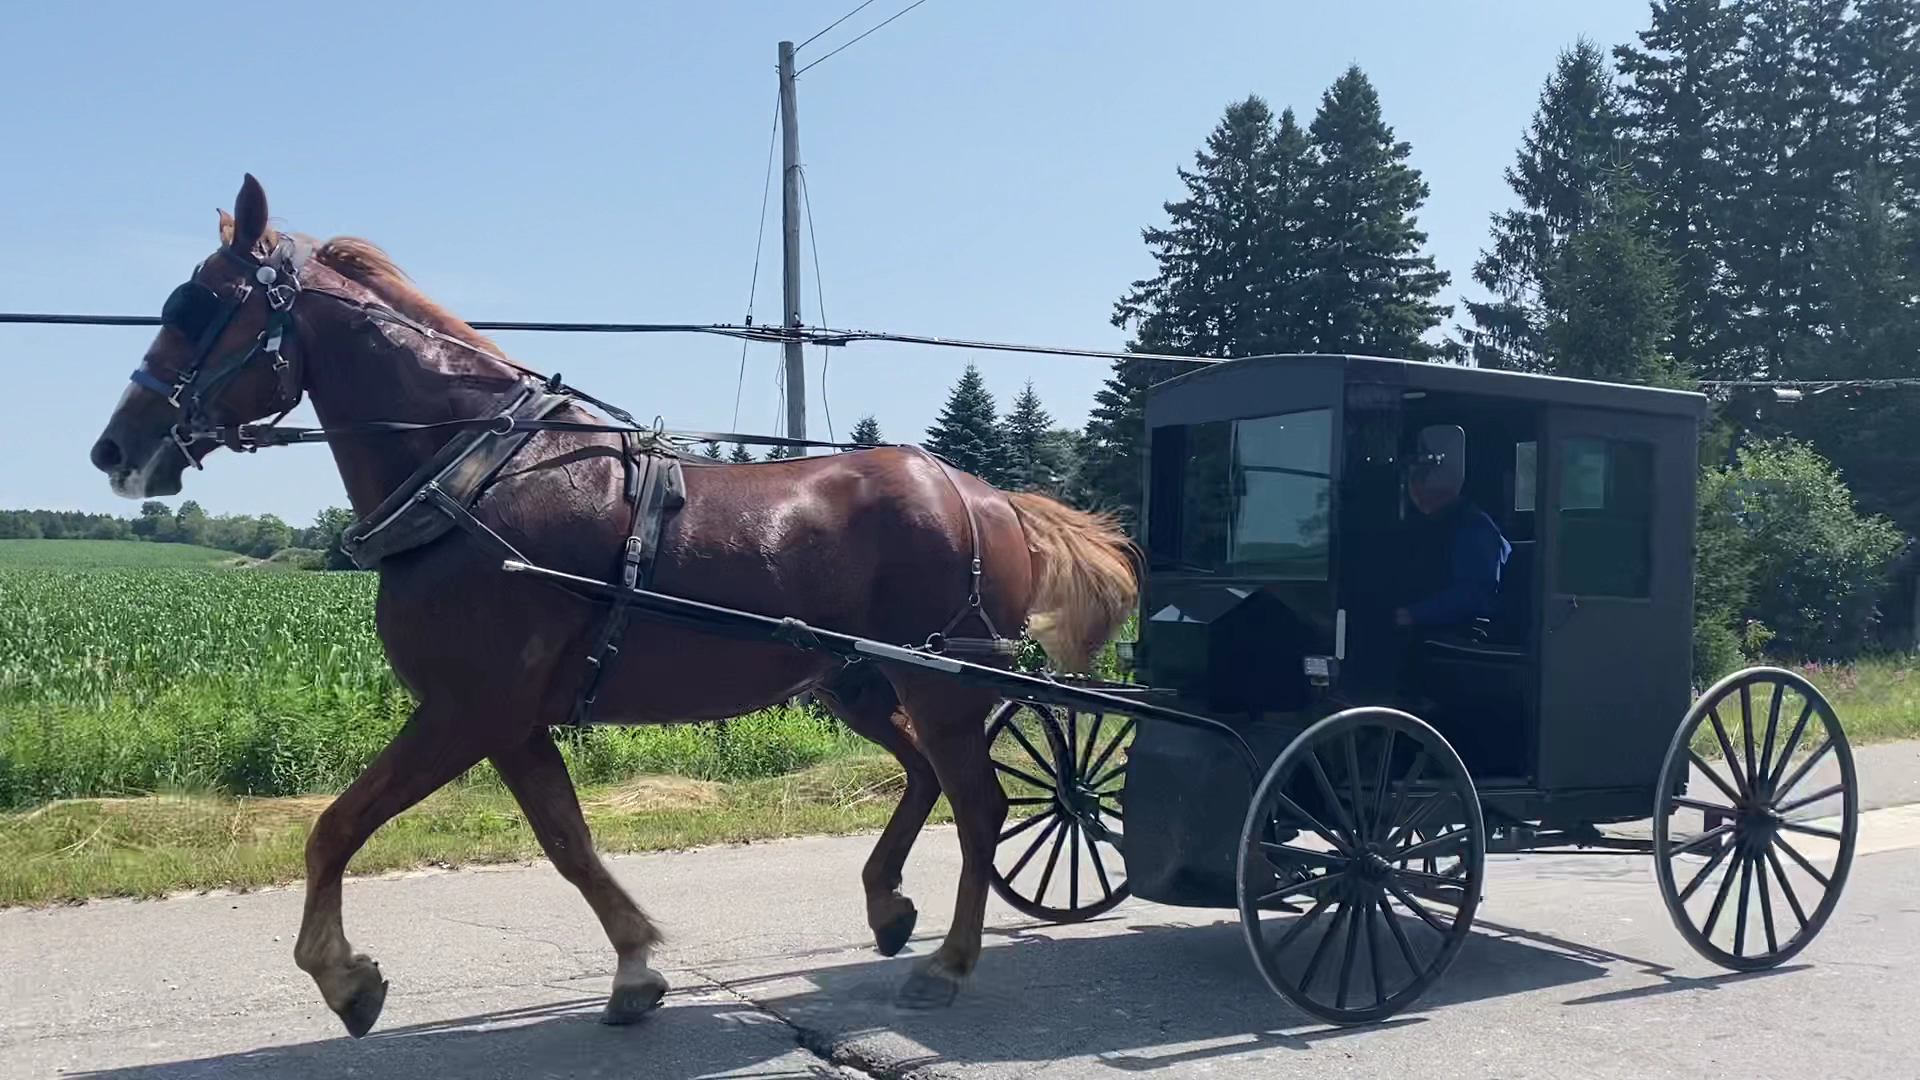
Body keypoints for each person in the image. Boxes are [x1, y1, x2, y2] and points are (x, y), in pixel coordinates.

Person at [1393, 427, 1510, 631]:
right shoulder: (1423, 524)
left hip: (1452, 637)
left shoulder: (1474, 527)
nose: (1412, 485)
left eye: (1420, 475)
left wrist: (1412, 614)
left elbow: (1474, 594)